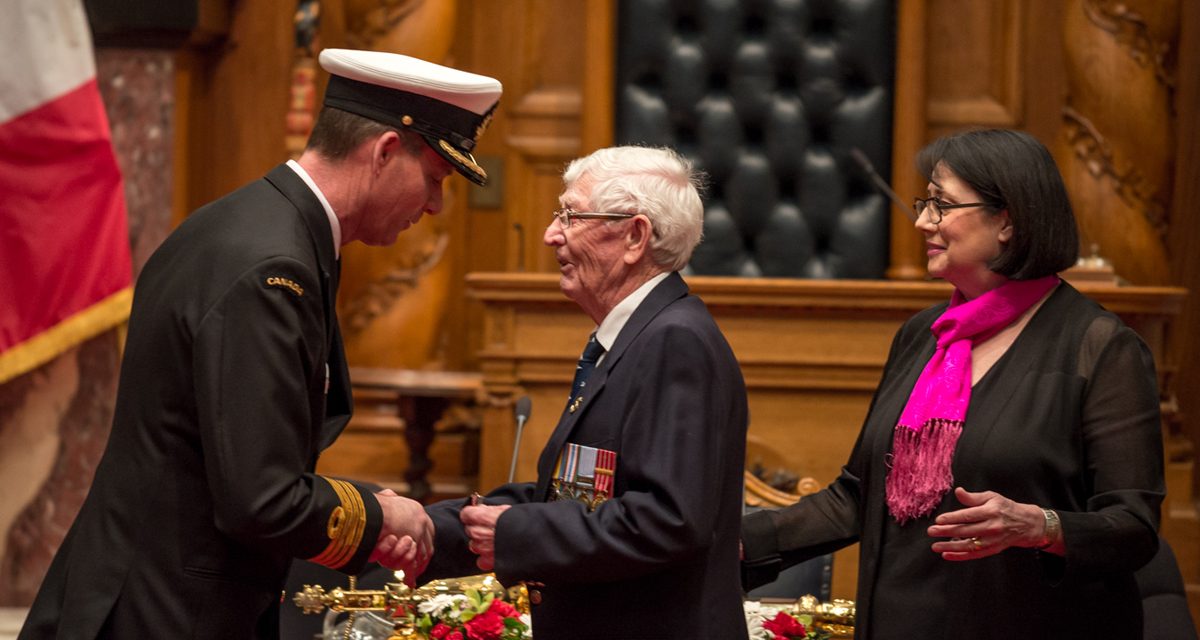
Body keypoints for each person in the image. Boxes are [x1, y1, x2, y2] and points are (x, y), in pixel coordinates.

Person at [19, 49, 501, 639]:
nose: (434, 205)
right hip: (166, 610)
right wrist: (380, 515)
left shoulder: (249, 223)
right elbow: (261, 499)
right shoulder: (275, 266)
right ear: (384, 152)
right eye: (435, 179)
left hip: (152, 592)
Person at [741, 129, 1165, 639]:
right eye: (926, 203)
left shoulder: (1100, 347)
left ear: (1007, 219)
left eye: (941, 204)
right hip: (901, 619)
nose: (922, 221)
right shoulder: (925, 334)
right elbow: (860, 495)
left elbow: (1133, 528)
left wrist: (1041, 527)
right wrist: (734, 541)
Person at [419, 146, 751, 639]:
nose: (552, 234)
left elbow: (669, 520)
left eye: (571, 216)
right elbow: (576, 497)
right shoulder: (639, 335)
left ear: (635, 236)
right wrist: (425, 525)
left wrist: (515, 534)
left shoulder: (673, 340)